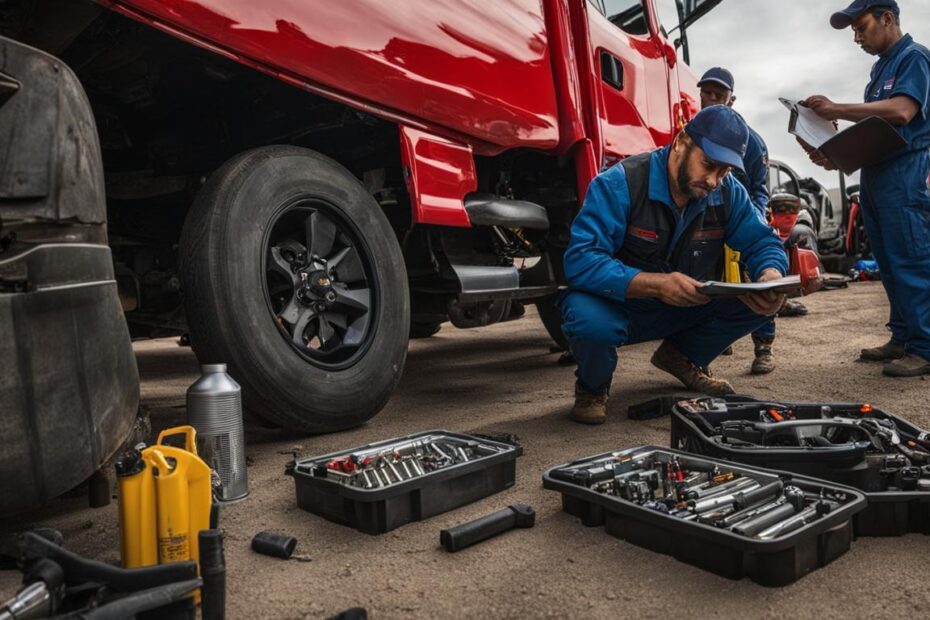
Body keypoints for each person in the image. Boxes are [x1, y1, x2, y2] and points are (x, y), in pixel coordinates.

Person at [559, 105, 788, 425]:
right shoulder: (620, 184)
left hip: (688, 303)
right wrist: (654, 284)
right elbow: (581, 260)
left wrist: (771, 274)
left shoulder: (727, 192)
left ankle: (682, 357)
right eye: (708, 164)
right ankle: (592, 387)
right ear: (681, 142)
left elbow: (762, 241)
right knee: (587, 318)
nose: (713, 180)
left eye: (723, 171)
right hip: (624, 307)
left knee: (762, 300)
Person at [799, 0, 930, 377]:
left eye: (861, 27)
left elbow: (903, 111)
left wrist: (836, 108)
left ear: (888, 18)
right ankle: (903, 337)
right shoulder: (880, 69)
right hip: (876, 176)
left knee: (911, 258)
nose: (856, 37)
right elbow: (876, 131)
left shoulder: (914, 58)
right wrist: (833, 153)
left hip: (905, 175)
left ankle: (925, 347)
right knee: (888, 261)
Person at [685, 67, 779, 374]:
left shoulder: (752, 142)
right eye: (706, 93)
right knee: (706, 282)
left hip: (740, 216)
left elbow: (760, 189)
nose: (711, 99)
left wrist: (754, 220)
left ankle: (763, 346)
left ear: (732, 99)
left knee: (760, 281)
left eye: (719, 95)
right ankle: (706, 344)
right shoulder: (690, 136)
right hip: (705, 222)